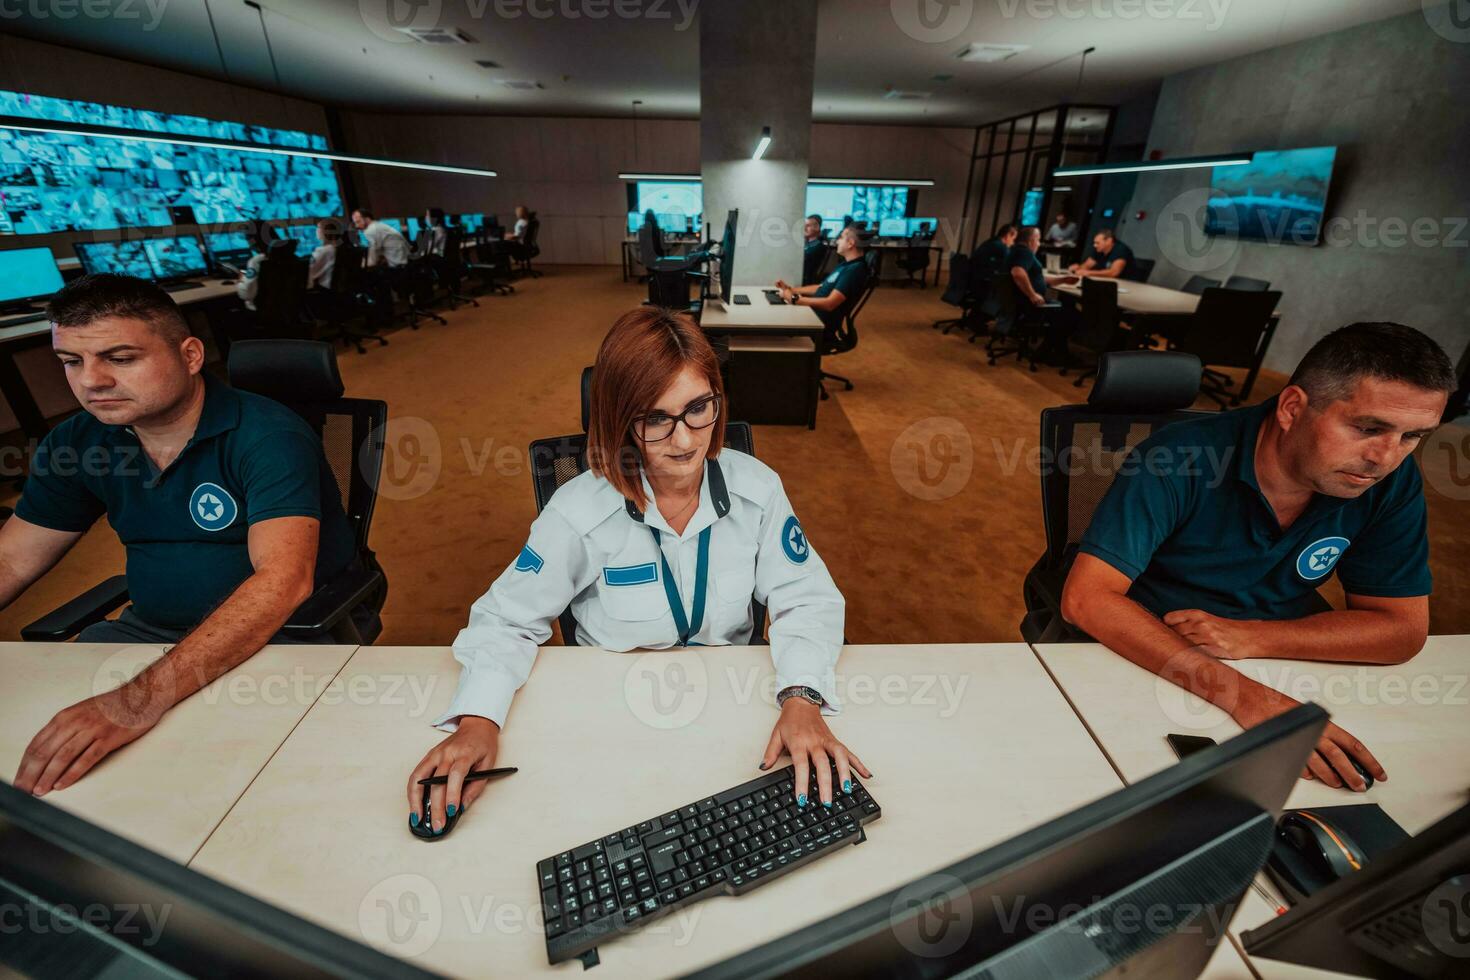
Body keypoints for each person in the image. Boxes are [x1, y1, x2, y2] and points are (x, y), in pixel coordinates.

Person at [406, 308, 862, 834]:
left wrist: (802, 698)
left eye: (698, 408)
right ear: (621, 420)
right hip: (612, 715)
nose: (685, 440)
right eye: (655, 419)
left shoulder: (757, 490)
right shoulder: (578, 511)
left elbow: (806, 598)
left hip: (736, 710)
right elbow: (506, 619)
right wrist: (478, 721)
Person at [1061, 322, 1457, 792]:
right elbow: (1087, 599)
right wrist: (1244, 696)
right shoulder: (1179, 458)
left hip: (1275, 663)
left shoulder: (1389, 481)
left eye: (1414, 436)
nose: (1386, 457)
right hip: (1151, 653)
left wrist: (1250, 638)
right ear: (1292, 408)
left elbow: (1402, 629)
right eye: (1368, 428)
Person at [7, 274, 358, 796]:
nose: (91, 381)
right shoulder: (80, 441)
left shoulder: (267, 435)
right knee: (40, 754)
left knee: (222, 789)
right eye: (72, 362)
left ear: (190, 355)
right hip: (144, 637)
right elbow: (12, 559)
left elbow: (282, 583)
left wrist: (136, 701)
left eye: (120, 358)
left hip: (276, 637)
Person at [774, 225, 868, 332]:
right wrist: (790, 289)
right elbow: (820, 287)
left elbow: (829, 304)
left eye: (841, 238)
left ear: (851, 243)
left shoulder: (854, 270)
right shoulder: (845, 265)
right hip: (812, 314)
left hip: (818, 323)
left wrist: (795, 299)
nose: (837, 241)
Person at [233, 222, 276, 311]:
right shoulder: (293, 257)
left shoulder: (257, 261)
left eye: (247, 239)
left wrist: (240, 281)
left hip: (263, 312)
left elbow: (247, 294)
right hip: (290, 310)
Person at [1068, 228, 1136, 280]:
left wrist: (1089, 273)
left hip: (1125, 283)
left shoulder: (1121, 250)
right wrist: (1078, 268)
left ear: (1109, 241)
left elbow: (1114, 273)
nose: (1094, 245)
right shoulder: (1099, 249)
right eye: (1094, 243)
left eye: (1097, 243)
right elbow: (1087, 265)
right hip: (1105, 281)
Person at [308, 217, 345, 290]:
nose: (316, 230)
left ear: (327, 231)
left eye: (318, 227)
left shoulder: (324, 250)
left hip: (323, 292)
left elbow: (309, 272)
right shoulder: (338, 249)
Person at [801, 213, 827, 286]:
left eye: (808, 226)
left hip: (805, 281)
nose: (805, 228)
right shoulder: (808, 244)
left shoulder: (819, 246)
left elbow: (803, 261)